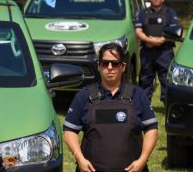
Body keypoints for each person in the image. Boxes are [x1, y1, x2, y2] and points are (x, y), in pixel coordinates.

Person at [63, 43, 158, 172]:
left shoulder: (138, 95)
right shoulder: (84, 95)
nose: (109, 67)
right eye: (105, 63)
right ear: (98, 66)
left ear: (123, 67)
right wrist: (80, 159)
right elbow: (69, 130)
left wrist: (142, 160)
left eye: (115, 63)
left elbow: (151, 129)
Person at [135, 0, 180, 102]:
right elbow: (138, 31)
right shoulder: (142, 13)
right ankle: (145, 105)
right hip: (147, 52)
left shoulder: (170, 13)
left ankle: (167, 104)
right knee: (145, 79)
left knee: (167, 80)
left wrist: (160, 40)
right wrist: (150, 41)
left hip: (165, 52)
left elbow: (175, 32)